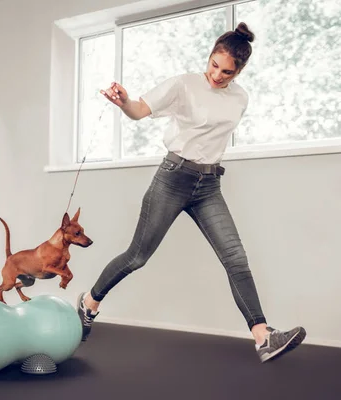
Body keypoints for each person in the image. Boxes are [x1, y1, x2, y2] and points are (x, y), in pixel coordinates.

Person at [77, 22, 306, 363]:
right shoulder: (185, 84)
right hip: (173, 178)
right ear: (210, 56)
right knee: (138, 256)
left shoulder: (240, 98)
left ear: (239, 70)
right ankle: (89, 303)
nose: (217, 75)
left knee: (236, 258)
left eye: (227, 72)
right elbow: (140, 111)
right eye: (214, 65)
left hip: (209, 185)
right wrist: (124, 101)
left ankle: (263, 337)